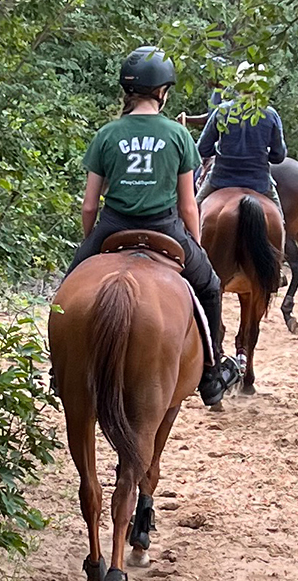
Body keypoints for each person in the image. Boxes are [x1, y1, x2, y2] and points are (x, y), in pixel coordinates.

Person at [69, 46, 245, 407]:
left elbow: (89, 204)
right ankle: (211, 374)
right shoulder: (178, 135)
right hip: (165, 228)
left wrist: (91, 242)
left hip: (112, 224)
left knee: (68, 289)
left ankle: (62, 368)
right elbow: (187, 204)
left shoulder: (107, 133)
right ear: (163, 91)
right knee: (210, 286)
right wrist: (194, 243)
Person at [191, 61, 286, 205]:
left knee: (194, 213)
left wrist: (218, 150)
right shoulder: (270, 114)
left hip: (220, 180)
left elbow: (202, 148)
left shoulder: (223, 111)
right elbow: (278, 156)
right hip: (259, 182)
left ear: (238, 83)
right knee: (280, 222)